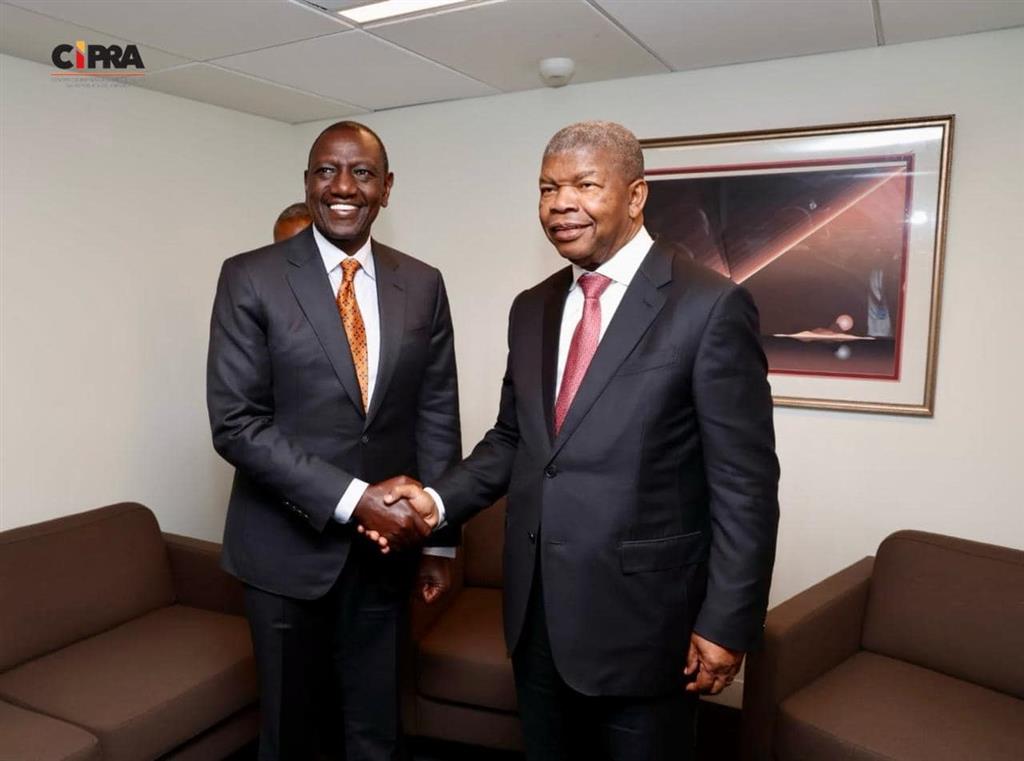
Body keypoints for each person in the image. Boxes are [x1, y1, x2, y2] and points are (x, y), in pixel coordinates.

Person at [382, 121, 779, 761]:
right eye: (547, 189)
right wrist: (435, 502)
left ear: (636, 195)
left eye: (585, 185)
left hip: (647, 626)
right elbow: (513, 439)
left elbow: (745, 485)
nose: (561, 204)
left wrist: (726, 622)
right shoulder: (531, 308)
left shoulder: (709, 306)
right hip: (536, 617)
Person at [207, 120, 461, 761]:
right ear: (308, 182)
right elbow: (237, 423)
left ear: (386, 188)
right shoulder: (250, 277)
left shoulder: (422, 283)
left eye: (362, 173)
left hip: (386, 557)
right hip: (283, 553)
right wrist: (356, 499)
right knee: (293, 733)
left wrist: (440, 542)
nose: (343, 186)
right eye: (327, 170)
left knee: (377, 730)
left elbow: (436, 413)